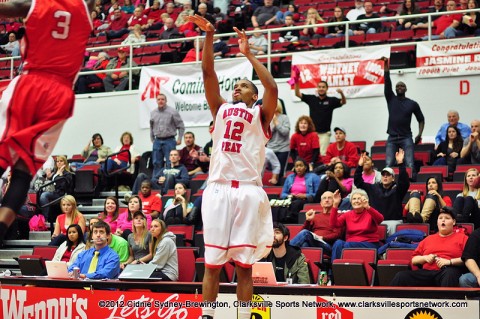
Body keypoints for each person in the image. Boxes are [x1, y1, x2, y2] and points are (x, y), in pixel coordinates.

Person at [187, 14, 277, 319]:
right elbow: (207, 70)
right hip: (218, 189)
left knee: (244, 265)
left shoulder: (260, 115)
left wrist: (249, 55)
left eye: (243, 86)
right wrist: (210, 36)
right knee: (212, 262)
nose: (237, 88)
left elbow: (272, 87)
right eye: (235, 85)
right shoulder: (221, 109)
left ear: (254, 95)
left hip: (248, 192)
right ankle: (208, 315)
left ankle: (242, 315)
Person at [0, 0, 93, 244]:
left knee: (2, 156)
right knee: (23, 172)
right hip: (61, 96)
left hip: (31, 83)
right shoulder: (84, 7)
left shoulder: (34, 4)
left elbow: (9, 7)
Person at [390, 207, 467, 287]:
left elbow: (468, 259)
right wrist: (425, 258)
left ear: (454, 222)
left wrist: (449, 262)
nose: (443, 220)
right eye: (440, 218)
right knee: (401, 276)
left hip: (447, 270)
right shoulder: (428, 239)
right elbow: (414, 260)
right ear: (437, 222)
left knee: (450, 274)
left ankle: (445, 299)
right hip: (426, 272)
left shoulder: (463, 238)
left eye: (447, 218)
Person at [382, 57, 424, 176]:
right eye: (397, 86)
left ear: (406, 89)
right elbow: (387, 81)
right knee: (389, 164)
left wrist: (419, 134)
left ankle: (412, 184)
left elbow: (421, 119)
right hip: (392, 137)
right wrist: (386, 65)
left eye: (402, 86)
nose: (399, 87)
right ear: (395, 89)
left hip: (406, 137)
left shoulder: (412, 103)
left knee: (410, 163)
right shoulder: (391, 99)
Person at [354, 150, 409, 236]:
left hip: (393, 223)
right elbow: (358, 182)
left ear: (393, 178)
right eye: (383, 174)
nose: (385, 176)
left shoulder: (398, 189)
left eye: (388, 174)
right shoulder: (373, 187)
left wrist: (401, 163)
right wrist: (360, 166)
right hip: (376, 222)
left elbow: (404, 182)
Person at [330, 189, 384, 265]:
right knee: (338, 243)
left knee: (347, 244)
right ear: (351, 202)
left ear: (365, 200)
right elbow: (334, 225)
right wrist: (335, 205)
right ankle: (334, 272)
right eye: (354, 199)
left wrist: (368, 207)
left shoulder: (369, 212)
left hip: (369, 244)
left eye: (359, 198)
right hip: (350, 244)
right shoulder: (347, 214)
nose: (356, 201)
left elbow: (380, 219)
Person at [294, 78, 346, 156]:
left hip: (325, 134)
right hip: (312, 133)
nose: (321, 89)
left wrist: (341, 93)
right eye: (319, 87)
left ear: (326, 88)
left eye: (323, 87)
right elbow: (297, 94)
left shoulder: (331, 100)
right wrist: (296, 82)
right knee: (311, 154)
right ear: (317, 88)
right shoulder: (312, 99)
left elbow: (343, 102)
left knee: (322, 155)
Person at [150, 93, 185, 178]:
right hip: (157, 140)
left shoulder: (172, 112)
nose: (160, 101)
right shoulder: (153, 113)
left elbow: (181, 126)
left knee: (171, 162)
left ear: (166, 101)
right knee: (156, 162)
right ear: (156, 101)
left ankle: (169, 181)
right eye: (159, 99)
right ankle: (156, 182)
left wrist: (179, 138)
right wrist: (152, 139)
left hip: (169, 140)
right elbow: (151, 126)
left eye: (162, 99)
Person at [280, 158, 320, 223]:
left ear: (305, 167)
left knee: (296, 203)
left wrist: (305, 196)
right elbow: (283, 194)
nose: (298, 168)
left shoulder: (313, 177)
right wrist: (289, 195)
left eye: (301, 166)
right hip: (291, 199)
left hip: (305, 200)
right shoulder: (290, 177)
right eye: (296, 166)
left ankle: (291, 221)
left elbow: (318, 194)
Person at [38, 156, 73, 221]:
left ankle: (45, 218)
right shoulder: (55, 172)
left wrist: (60, 175)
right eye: (57, 161)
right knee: (41, 194)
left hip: (61, 194)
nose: (59, 163)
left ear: (65, 162)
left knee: (44, 196)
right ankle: (43, 217)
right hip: (53, 192)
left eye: (61, 161)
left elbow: (63, 186)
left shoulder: (67, 173)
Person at [267, 100, 290, 180]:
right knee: (270, 169)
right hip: (271, 148)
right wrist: (272, 125)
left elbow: (285, 132)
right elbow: (267, 135)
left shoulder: (284, 117)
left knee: (281, 172)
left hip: (283, 148)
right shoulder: (267, 118)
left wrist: (276, 123)